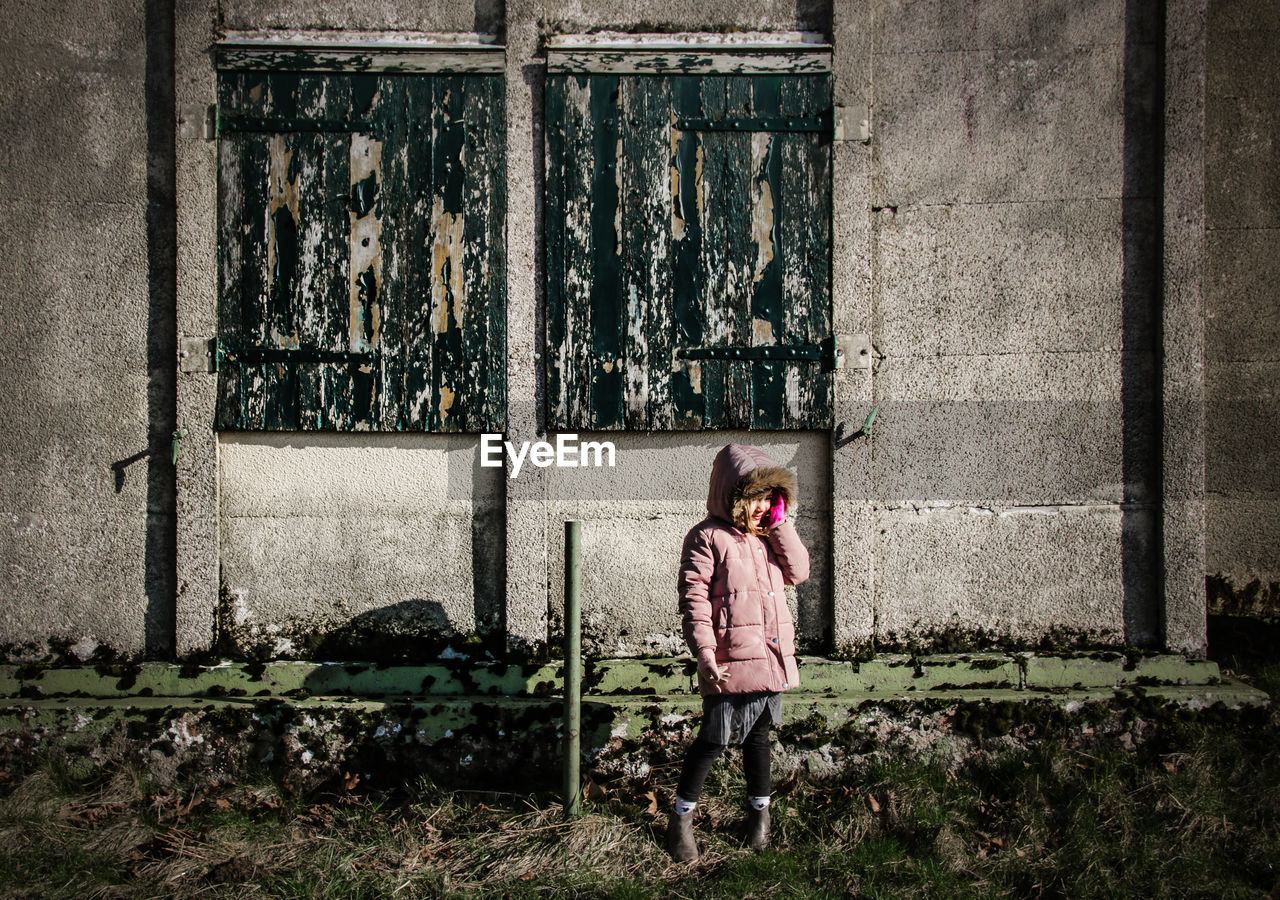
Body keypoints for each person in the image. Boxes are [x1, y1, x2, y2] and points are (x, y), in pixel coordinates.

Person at [666, 444, 810, 862]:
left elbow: (798, 572)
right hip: (727, 662)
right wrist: (705, 654)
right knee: (712, 740)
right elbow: (693, 599)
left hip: (768, 658)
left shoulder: (769, 537)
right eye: (757, 497)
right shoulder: (707, 537)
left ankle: (759, 818)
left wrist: (781, 525)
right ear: (732, 495)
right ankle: (681, 819)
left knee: (759, 737)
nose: (764, 506)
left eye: (772, 498)